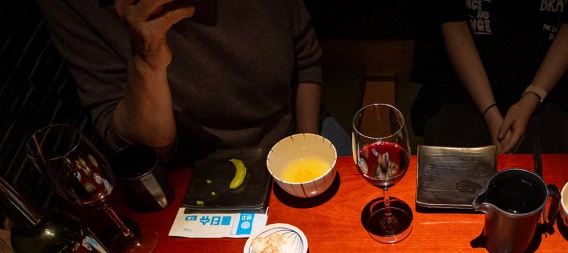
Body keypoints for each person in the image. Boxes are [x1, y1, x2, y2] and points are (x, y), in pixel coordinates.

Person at [35, 0, 347, 163]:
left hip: (300, 128)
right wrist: (147, 62)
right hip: (198, 167)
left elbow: (306, 56)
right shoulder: (77, 7)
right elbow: (143, 150)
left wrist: (306, 144)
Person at [410, 1, 568, 155]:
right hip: (461, 83)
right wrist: (490, 112)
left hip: (546, 81)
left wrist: (533, 95)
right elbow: (452, 19)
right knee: (460, 172)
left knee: (542, 175)